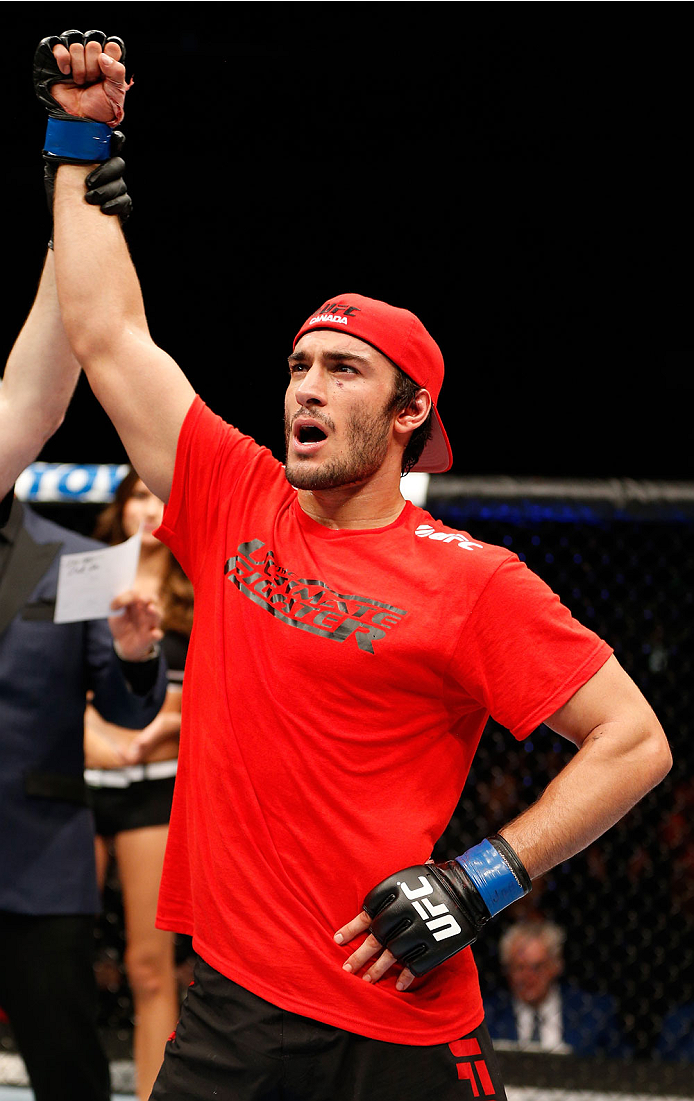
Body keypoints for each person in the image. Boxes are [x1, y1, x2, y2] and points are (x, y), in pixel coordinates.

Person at [41, 30, 672, 1100]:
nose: (306, 389)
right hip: (233, 1011)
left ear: (410, 411)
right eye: (297, 366)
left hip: (402, 1025)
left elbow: (635, 741)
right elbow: (105, 329)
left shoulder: (471, 577)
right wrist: (79, 133)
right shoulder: (232, 494)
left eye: (342, 370)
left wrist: (480, 879)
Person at [85, 468, 193, 1101]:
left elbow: (218, 691)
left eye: (160, 498)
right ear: (120, 509)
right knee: (52, 958)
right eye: (137, 497)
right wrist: (96, 743)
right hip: (75, 781)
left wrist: (157, 734)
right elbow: (50, 680)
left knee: (150, 967)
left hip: (156, 788)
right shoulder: (84, 583)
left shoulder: (199, 585)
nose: (148, 511)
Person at [483, 921, 630, 1057]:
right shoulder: (486, 1017)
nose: (528, 977)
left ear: (556, 966)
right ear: (506, 970)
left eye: (537, 967)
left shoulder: (593, 1013)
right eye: (519, 968)